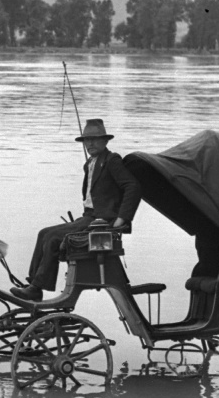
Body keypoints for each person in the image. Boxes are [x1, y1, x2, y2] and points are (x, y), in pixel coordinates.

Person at [11, 118, 141, 301]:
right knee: (43, 233)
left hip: (101, 222)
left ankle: (37, 287)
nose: (90, 143)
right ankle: (34, 284)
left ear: (105, 141)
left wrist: (121, 219)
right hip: (88, 217)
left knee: (54, 238)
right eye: (87, 140)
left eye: (95, 139)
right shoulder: (90, 163)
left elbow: (133, 187)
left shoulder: (112, 160)